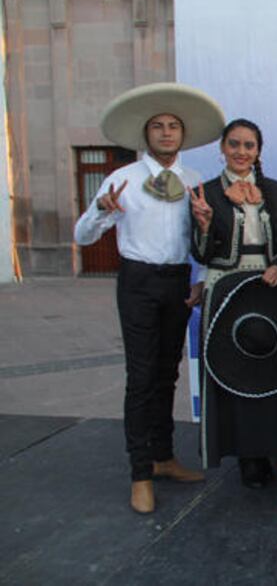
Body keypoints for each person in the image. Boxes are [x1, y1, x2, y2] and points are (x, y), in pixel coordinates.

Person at [74, 82, 225, 514]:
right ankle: (140, 474)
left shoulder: (194, 181)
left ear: (182, 135)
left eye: (173, 126)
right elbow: (82, 236)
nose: (165, 133)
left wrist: (199, 275)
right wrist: (102, 209)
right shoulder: (121, 180)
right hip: (137, 282)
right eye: (157, 126)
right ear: (146, 134)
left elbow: (202, 239)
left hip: (178, 283)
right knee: (140, 379)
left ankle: (163, 458)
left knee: (167, 375)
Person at [188, 118, 277, 488]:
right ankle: (247, 457)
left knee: (272, 371)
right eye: (234, 144)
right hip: (224, 286)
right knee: (232, 374)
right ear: (222, 148)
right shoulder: (204, 192)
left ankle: (274, 448)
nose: (241, 151)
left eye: (248, 145)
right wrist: (203, 226)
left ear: (258, 151)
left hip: (267, 287)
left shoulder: (276, 190)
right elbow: (199, 252)